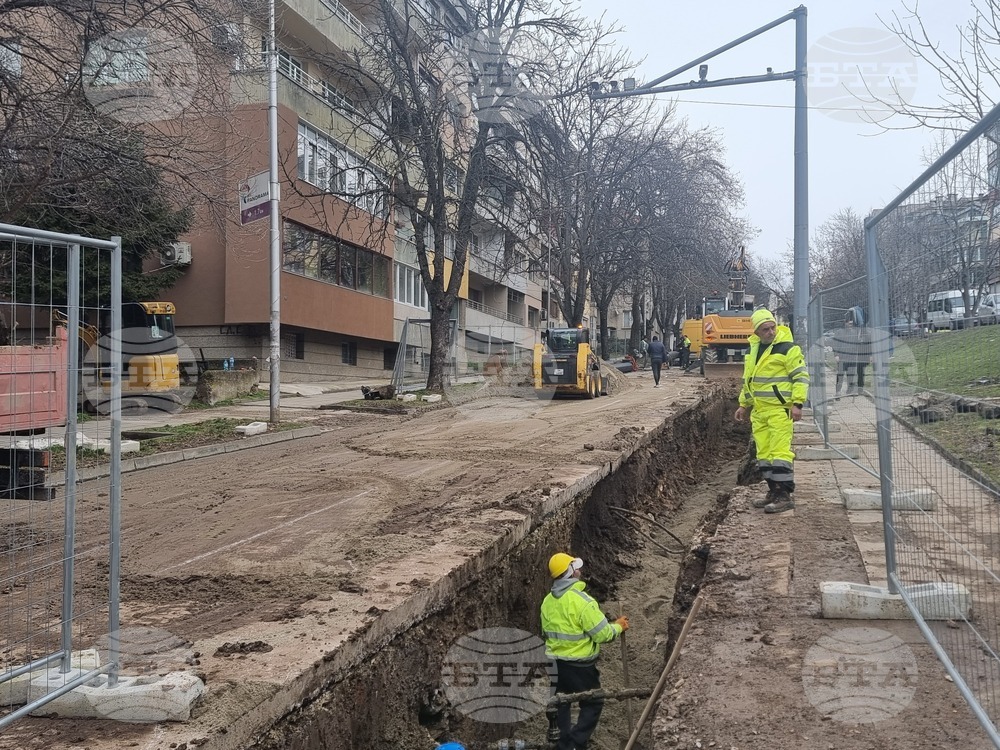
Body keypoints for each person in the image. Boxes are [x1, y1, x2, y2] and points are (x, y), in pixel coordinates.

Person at [541, 553, 629, 750]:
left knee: (559, 702)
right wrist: (618, 626)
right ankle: (577, 743)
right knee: (593, 701)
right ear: (571, 573)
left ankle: (562, 744)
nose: (579, 570)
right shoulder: (583, 601)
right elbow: (602, 634)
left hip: (555, 663)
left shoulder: (548, 601)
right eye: (576, 567)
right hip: (580, 665)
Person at [734, 309, 810, 514]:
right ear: (757, 332)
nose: (770, 331)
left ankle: (785, 495)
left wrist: (798, 403)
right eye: (765, 329)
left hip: (779, 411)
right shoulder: (753, 350)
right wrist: (743, 404)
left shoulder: (788, 348)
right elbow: (749, 381)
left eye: (772, 327)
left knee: (780, 454)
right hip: (759, 412)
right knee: (764, 455)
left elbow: (801, 377)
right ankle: (773, 491)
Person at [831, 308, 869, 396]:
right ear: (845, 323)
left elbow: (859, 341)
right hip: (842, 357)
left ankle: (850, 390)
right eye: (849, 323)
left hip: (852, 357)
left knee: (851, 375)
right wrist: (836, 355)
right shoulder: (839, 332)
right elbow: (835, 344)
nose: (850, 325)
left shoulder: (855, 332)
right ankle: (838, 391)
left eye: (852, 323)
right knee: (840, 375)